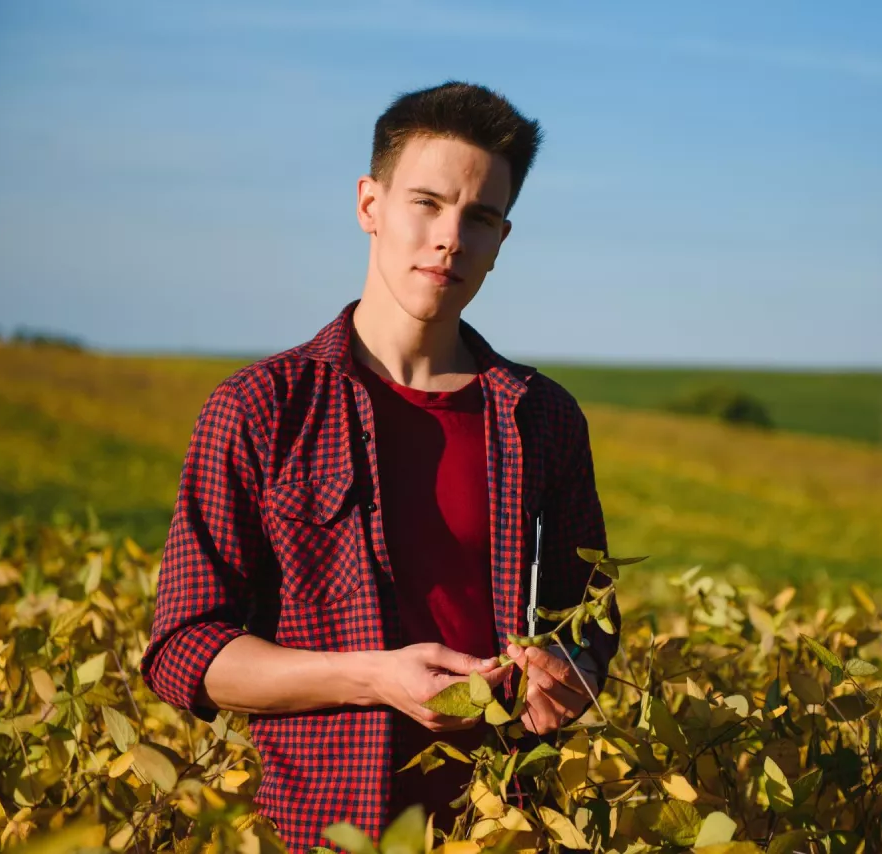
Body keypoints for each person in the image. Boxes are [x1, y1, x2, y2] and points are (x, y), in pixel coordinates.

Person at [139, 81, 620, 854]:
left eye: (481, 218)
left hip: (505, 826)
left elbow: (588, 618)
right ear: (370, 204)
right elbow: (184, 651)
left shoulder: (545, 417)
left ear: (503, 238)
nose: (450, 238)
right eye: (426, 203)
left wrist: (569, 673)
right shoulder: (259, 408)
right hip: (314, 832)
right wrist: (372, 677)